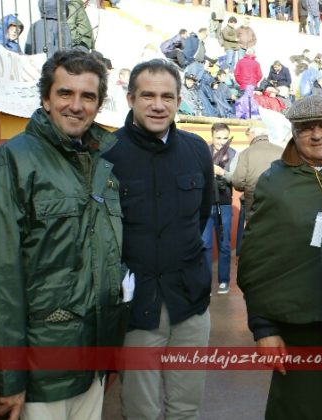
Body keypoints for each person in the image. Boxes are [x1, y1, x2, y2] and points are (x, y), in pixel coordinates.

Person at [0, 49, 128, 420]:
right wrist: (8, 377)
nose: (76, 106)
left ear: (98, 105)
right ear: (45, 98)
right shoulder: (10, 161)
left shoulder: (101, 165)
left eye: (87, 96)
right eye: (65, 93)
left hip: (91, 367)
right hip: (42, 373)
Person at [102, 59, 214, 419]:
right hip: (137, 308)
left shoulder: (197, 149)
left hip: (190, 303)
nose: (158, 104)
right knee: (140, 411)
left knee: (186, 408)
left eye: (167, 96)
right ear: (130, 98)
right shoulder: (106, 153)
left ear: (179, 101)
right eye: (148, 95)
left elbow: (199, 216)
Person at [237, 95, 322, 420]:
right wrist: (263, 328)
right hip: (302, 328)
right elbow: (256, 260)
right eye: (305, 128)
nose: (316, 135)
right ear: (293, 132)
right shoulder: (275, 182)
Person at [202, 123, 237, 294]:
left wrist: (222, 173)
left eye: (225, 137)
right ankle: (205, 283)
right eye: (218, 138)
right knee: (205, 244)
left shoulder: (233, 154)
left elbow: (237, 179)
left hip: (224, 203)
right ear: (212, 137)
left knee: (224, 244)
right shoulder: (204, 152)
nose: (222, 142)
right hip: (205, 203)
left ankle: (224, 281)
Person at [232, 126, 284, 222]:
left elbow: (238, 182)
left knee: (255, 233)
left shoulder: (246, 153)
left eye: (248, 136)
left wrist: (248, 187)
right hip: (278, 203)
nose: (248, 139)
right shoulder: (282, 151)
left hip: (254, 204)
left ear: (253, 134)